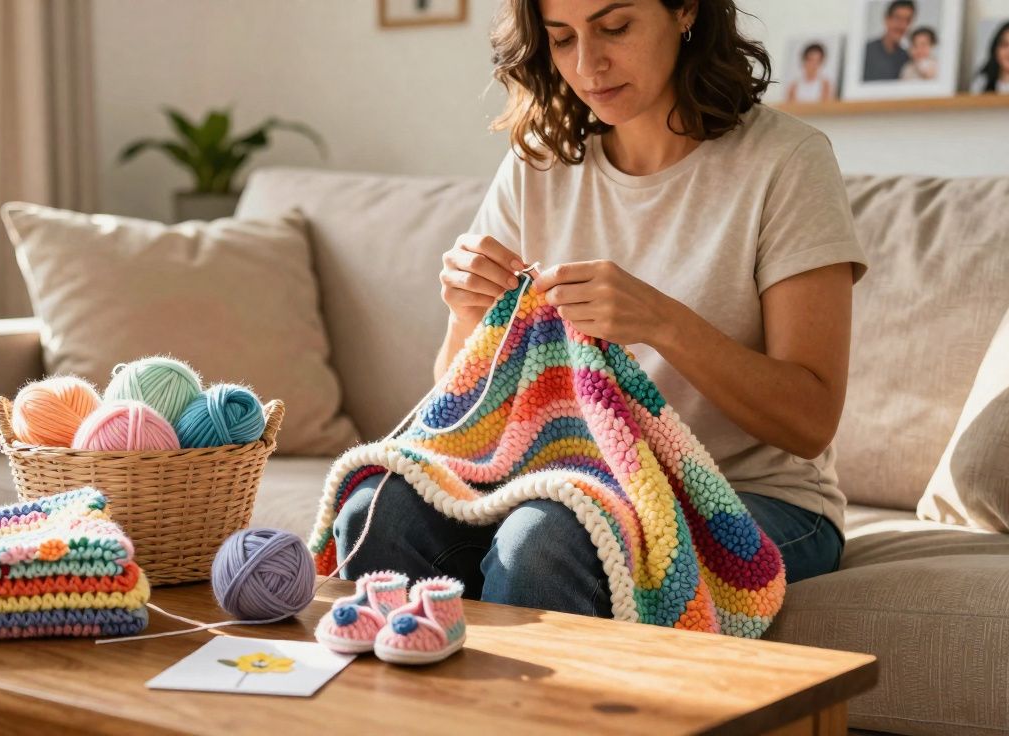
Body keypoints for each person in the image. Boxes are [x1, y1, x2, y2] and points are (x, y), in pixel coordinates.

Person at [332, 0, 869, 617]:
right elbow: (460, 407)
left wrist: (663, 322)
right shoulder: (539, 163)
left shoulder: (786, 161)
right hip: (568, 482)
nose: (588, 65)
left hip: (751, 498)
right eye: (562, 39)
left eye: (615, 27)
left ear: (686, 10)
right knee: (382, 507)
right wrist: (465, 312)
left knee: (550, 536)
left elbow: (810, 419)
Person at [863, 0, 915, 81]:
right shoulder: (865, 51)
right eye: (898, 18)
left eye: (907, 20)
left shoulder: (907, 58)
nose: (902, 25)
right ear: (886, 19)